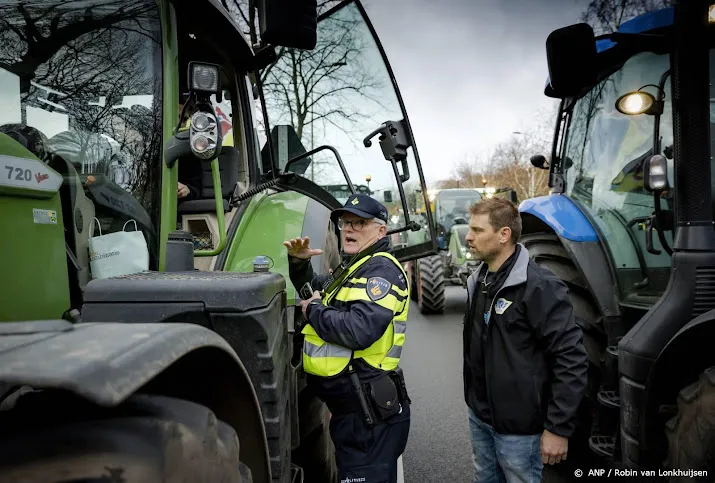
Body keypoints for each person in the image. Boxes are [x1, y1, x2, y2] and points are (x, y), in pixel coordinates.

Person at [283, 193, 411, 483]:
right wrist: (299, 266)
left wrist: (315, 310)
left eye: (359, 223)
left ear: (381, 231)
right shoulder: (352, 267)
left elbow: (358, 330)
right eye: (345, 223)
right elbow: (313, 293)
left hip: (369, 415)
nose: (349, 229)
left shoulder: (381, 271)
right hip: (354, 412)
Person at [462, 197, 588, 483]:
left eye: (478, 231)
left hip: (520, 432)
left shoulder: (540, 286)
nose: (468, 237)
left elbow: (571, 359)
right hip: (481, 419)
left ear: (504, 235)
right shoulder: (478, 281)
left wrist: (558, 428)